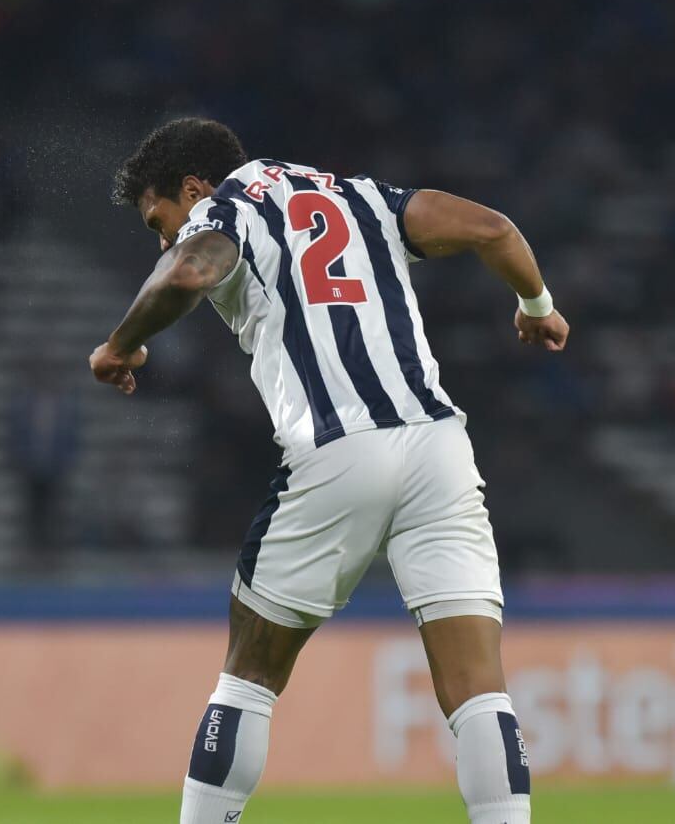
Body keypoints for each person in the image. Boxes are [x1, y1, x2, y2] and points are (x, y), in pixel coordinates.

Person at [90, 118, 568, 824]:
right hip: (439, 447)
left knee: (249, 673)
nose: (166, 241)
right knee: (477, 688)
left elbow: (190, 269)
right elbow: (493, 228)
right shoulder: (360, 197)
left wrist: (120, 343)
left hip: (338, 447)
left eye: (162, 221)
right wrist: (537, 306)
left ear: (194, 188)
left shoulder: (227, 208)